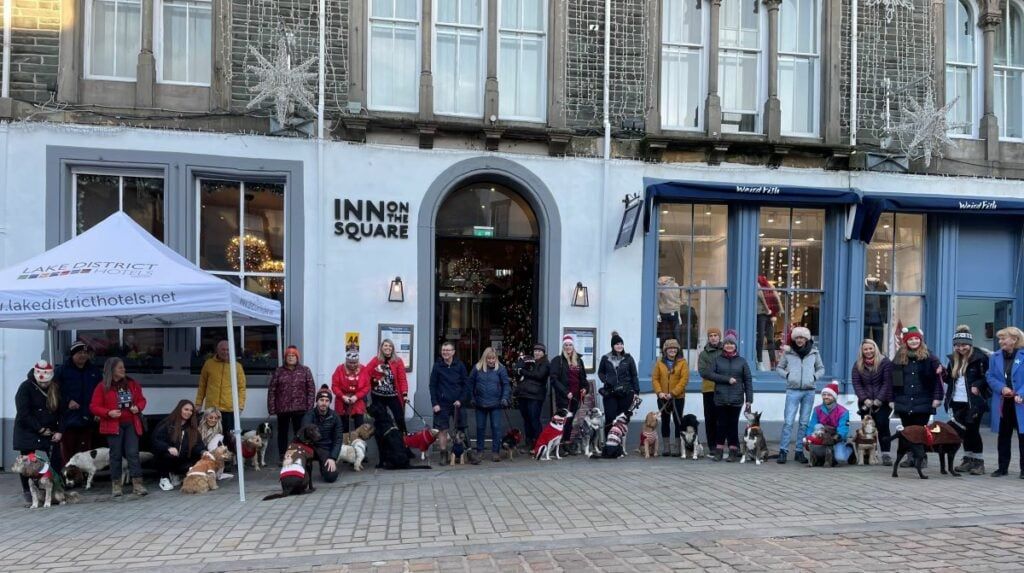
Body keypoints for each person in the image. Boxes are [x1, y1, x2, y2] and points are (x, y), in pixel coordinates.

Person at [90, 357, 147, 497]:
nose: (124, 370)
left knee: (133, 453)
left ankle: (138, 484)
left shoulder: (132, 384)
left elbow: (142, 400)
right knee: (115, 455)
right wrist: (108, 412)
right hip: (113, 424)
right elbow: (94, 406)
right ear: (112, 370)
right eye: (120, 367)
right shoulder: (102, 386)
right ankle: (116, 485)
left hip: (131, 423)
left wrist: (138, 407)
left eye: (123, 367)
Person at [891, 326, 944, 468]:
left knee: (920, 430)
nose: (914, 341)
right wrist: (892, 399)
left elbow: (938, 379)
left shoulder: (929, 356)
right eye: (911, 339)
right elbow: (894, 381)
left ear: (920, 340)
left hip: (923, 401)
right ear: (905, 341)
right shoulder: (899, 357)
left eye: (916, 339)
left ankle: (921, 457)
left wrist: (937, 397)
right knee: (908, 431)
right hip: (904, 400)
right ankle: (910, 457)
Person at [14, 360, 64, 504]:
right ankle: (29, 491)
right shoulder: (25, 387)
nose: (44, 385)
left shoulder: (55, 388)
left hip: (49, 429)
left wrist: (60, 431)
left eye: (46, 383)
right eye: (42, 383)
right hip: (28, 429)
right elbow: (24, 412)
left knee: (54, 459)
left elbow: (62, 412)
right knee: (27, 461)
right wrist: (39, 429)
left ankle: (54, 489)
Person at [944, 325, 990, 475]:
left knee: (973, 431)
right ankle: (967, 459)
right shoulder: (953, 360)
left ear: (969, 345)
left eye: (963, 345)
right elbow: (949, 380)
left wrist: (977, 384)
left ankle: (978, 462)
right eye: (957, 345)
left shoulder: (980, 358)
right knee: (962, 432)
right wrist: (942, 374)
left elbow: (987, 377)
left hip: (974, 402)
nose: (960, 348)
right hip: (957, 401)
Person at [775, 326, 824, 465]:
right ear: (794, 339)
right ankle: (783, 451)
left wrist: (814, 377)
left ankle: (799, 451)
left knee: (804, 423)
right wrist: (788, 375)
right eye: (797, 337)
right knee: (788, 422)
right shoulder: (788, 353)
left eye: (802, 337)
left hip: (809, 391)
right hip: (793, 390)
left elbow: (821, 368)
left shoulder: (814, 353)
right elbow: (779, 368)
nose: (799, 340)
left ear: (806, 339)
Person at [704, 329, 753, 462]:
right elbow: (709, 374)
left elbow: (748, 380)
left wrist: (749, 400)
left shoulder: (742, 361)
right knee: (721, 424)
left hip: (736, 398)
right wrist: (727, 379)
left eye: (731, 344)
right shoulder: (717, 360)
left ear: (735, 346)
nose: (729, 346)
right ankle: (718, 451)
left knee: (733, 425)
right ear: (723, 345)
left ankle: (733, 451)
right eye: (727, 344)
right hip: (720, 397)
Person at [986, 327, 1024, 478]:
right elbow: (990, 377)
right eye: (999, 339)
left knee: (1023, 436)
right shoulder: (994, 357)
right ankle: (1002, 468)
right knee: (1003, 435)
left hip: (1020, 402)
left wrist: (1021, 393)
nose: (1000, 341)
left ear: (1014, 340)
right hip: (1003, 402)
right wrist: (1002, 388)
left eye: (1003, 338)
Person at [55, 340, 102, 462]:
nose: (83, 355)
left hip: (88, 417)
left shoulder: (94, 371)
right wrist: (67, 401)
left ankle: (83, 477)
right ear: (72, 354)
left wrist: (98, 411)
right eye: (79, 352)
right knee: (67, 451)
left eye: (85, 352)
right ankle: (68, 477)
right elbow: (54, 391)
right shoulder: (61, 370)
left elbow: (101, 392)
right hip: (68, 418)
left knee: (85, 451)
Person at [851, 339, 895, 466]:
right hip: (865, 402)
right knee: (867, 429)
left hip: (882, 402)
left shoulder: (884, 362)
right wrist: (865, 399)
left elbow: (887, 383)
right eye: (866, 349)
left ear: (875, 348)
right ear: (862, 351)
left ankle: (886, 454)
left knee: (882, 426)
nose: (868, 351)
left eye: (871, 348)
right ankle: (871, 454)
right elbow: (856, 383)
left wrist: (879, 400)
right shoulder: (857, 364)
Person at [268, 345, 316, 462]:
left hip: (300, 408)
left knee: (299, 433)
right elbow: (272, 390)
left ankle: (299, 455)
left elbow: (311, 389)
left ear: (297, 357)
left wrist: (309, 407)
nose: (290, 358)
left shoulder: (305, 370)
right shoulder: (279, 371)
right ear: (285, 358)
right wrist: (272, 408)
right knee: (282, 433)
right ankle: (282, 456)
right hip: (282, 409)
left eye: (293, 355)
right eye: (288, 356)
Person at [429, 341, 469, 465]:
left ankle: (465, 453)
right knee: (443, 430)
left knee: (461, 429)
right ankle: (443, 454)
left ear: (453, 352)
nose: (445, 352)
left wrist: (461, 400)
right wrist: (435, 403)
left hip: (458, 403)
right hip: (442, 404)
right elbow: (432, 386)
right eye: (443, 350)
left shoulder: (460, 365)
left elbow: (466, 385)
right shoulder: (437, 366)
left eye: (448, 350)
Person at [196, 340, 247, 438]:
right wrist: (198, 403)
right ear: (217, 350)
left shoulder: (237, 366)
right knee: (210, 436)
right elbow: (202, 385)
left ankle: (229, 454)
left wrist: (240, 406)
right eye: (223, 349)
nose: (225, 352)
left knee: (229, 437)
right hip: (212, 408)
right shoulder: (208, 364)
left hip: (230, 409)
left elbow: (241, 388)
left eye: (228, 350)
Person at [152, 400, 205, 491]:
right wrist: (168, 447)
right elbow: (156, 440)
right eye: (186, 409)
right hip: (167, 459)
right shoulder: (167, 423)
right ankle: (164, 478)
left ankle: (176, 475)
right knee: (168, 455)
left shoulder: (192, 428)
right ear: (179, 409)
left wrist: (203, 451)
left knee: (197, 459)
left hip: (182, 459)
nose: (188, 412)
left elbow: (198, 444)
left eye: (191, 410)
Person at [468, 347, 511, 462]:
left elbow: (506, 384)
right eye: (489, 358)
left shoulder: (501, 369)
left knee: (496, 428)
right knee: (480, 428)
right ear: (484, 358)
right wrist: (472, 398)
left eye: (493, 358)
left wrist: (504, 398)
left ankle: (495, 452)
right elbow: (470, 384)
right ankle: (480, 451)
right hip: (480, 403)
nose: (491, 361)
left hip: (496, 403)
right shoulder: (477, 368)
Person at [549, 335, 590, 447]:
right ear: (563, 347)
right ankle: (558, 444)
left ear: (573, 346)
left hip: (575, 396)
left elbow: (583, 379)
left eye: (570, 344)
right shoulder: (557, 360)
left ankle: (566, 443)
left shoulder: (578, 361)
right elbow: (553, 379)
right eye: (566, 345)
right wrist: (566, 392)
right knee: (562, 421)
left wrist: (585, 389)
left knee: (570, 420)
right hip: (564, 396)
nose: (568, 347)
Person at [362, 339, 409, 434]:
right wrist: (373, 381)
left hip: (393, 396)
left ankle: (404, 439)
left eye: (390, 346)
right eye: (385, 346)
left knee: (399, 417)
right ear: (382, 348)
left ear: (392, 348)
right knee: (381, 420)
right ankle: (383, 441)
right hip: (378, 396)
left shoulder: (398, 361)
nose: (388, 348)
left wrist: (404, 394)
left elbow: (402, 379)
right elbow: (366, 373)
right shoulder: (376, 360)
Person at [597, 331, 639, 436]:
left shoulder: (628, 358)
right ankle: (608, 443)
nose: (619, 346)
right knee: (610, 418)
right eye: (617, 344)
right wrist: (606, 380)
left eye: (621, 344)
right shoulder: (605, 358)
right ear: (613, 346)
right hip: (610, 392)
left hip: (626, 393)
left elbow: (634, 375)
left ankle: (619, 445)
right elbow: (600, 372)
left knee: (623, 419)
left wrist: (636, 391)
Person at [301, 385, 344, 483]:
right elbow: (303, 435)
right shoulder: (309, 415)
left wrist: (332, 457)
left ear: (329, 402)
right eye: (321, 400)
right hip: (309, 447)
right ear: (317, 401)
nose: (324, 403)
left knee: (331, 477)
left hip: (325, 448)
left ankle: (323, 468)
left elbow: (338, 439)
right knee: (301, 478)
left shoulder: (335, 417)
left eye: (326, 400)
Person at [652, 339, 688, 456]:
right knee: (665, 421)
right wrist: (659, 392)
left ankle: (678, 447)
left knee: (678, 422)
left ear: (678, 350)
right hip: (663, 397)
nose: (672, 350)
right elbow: (655, 379)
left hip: (677, 397)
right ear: (665, 350)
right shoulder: (659, 363)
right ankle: (666, 448)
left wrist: (673, 393)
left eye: (674, 348)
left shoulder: (683, 362)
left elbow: (684, 380)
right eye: (669, 348)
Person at [803, 381, 851, 466]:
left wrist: (836, 438)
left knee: (840, 458)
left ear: (834, 397)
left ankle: (849, 449)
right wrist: (809, 437)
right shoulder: (817, 409)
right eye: (824, 395)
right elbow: (812, 425)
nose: (826, 397)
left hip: (835, 437)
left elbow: (843, 428)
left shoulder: (843, 411)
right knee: (817, 426)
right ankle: (822, 456)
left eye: (829, 395)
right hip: (821, 435)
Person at [514, 343, 550, 453]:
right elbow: (518, 372)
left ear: (543, 353)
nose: (537, 353)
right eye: (535, 351)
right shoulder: (529, 362)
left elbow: (539, 376)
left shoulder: (545, 363)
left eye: (539, 351)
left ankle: (539, 444)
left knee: (534, 419)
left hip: (535, 396)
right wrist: (519, 368)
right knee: (527, 419)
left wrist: (523, 371)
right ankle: (529, 443)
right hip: (524, 394)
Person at [332, 347, 370, 435]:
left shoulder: (363, 369)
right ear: (346, 360)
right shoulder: (339, 369)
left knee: (359, 427)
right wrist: (342, 396)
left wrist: (356, 396)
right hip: (342, 401)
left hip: (357, 400)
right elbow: (335, 386)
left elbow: (367, 386)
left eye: (355, 362)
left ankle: (359, 445)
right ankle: (344, 446)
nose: (353, 365)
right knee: (343, 428)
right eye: (350, 362)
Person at [697, 328, 724, 450]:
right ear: (708, 338)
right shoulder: (704, 354)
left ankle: (721, 444)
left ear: (719, 337)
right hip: (708, 390)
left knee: (722, 419)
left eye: (715, 335)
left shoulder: (725, 351)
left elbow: (730, 369)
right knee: (710, 419)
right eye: (711, 335)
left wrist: (715, 373)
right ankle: (712, 445)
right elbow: (703, 372)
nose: (713, 337)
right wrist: (720, 376)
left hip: (724, 390)